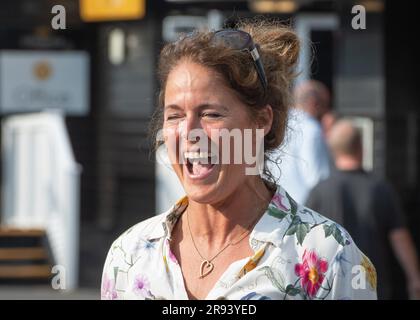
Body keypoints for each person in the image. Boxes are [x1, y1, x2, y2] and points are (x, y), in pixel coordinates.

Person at [101, 20, 377, 300]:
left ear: (261, 121)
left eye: (211, 114)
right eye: (175, 116)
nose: (188, 133)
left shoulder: (328, 255)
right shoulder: (128, 256)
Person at [306, 119, 420, 300]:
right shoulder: (381, 189)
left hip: (332, 289)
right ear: (361, 146)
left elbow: (306, 243)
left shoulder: (319, 191)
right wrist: (414, 278)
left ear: (333, 150)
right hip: (373, 288)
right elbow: (400, 238)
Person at [267, 80, 332, 204]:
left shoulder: (276, 123)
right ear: (314, 104)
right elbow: (317, 178)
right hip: (302, 210)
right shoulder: (311, 128)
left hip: (274, 206)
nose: (326, 112)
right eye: (325, 105)